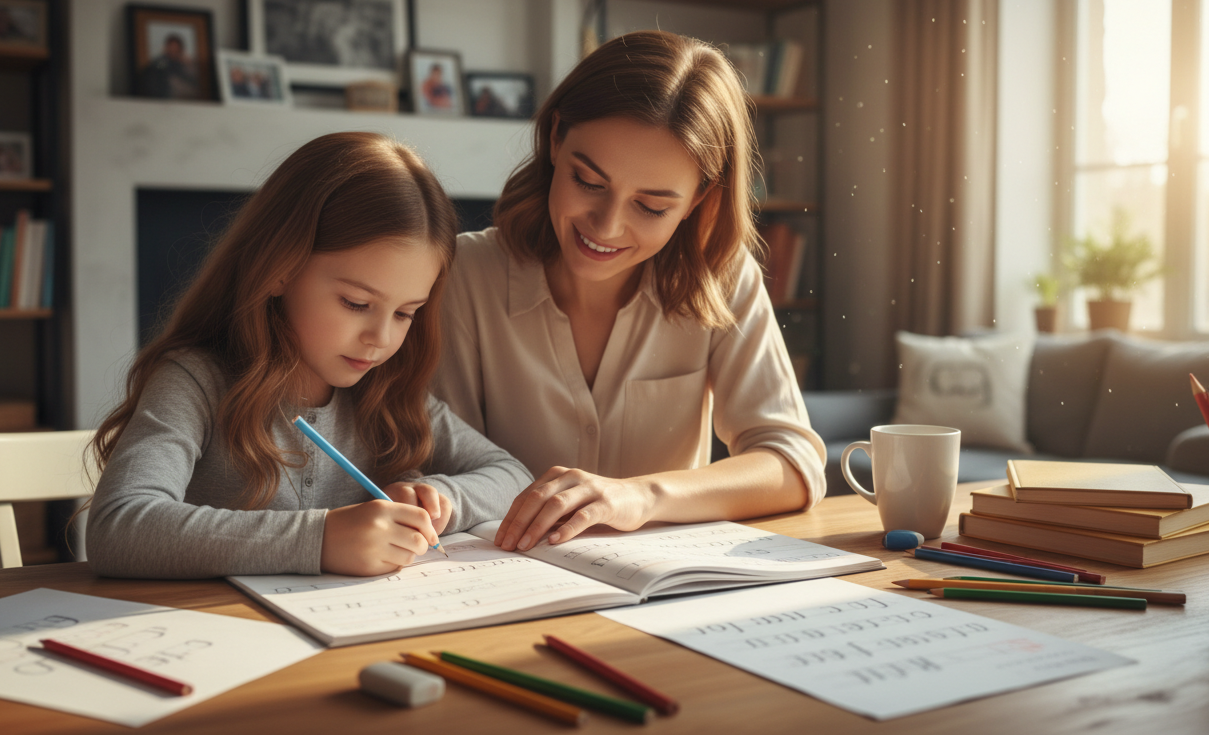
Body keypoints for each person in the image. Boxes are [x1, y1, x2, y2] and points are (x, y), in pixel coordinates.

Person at [433, 30, 827, 553]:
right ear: (556, 140)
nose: (607, 227)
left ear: (697, 200)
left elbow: (794, 465)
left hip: (664, 591)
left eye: (651, 207)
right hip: (502, 581)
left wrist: (640, 497)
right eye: (589, 182)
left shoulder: (723, 276)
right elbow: (441, 468)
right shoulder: (465, 273)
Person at [85, 132, 532, 579]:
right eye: (356, 304)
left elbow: (513, 476)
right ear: (280, 268)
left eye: (405, 313)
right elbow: (118, 526)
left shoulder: (388, 395)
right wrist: (321, 538)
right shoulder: (196, 381)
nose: (380, 338)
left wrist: (440, 498)